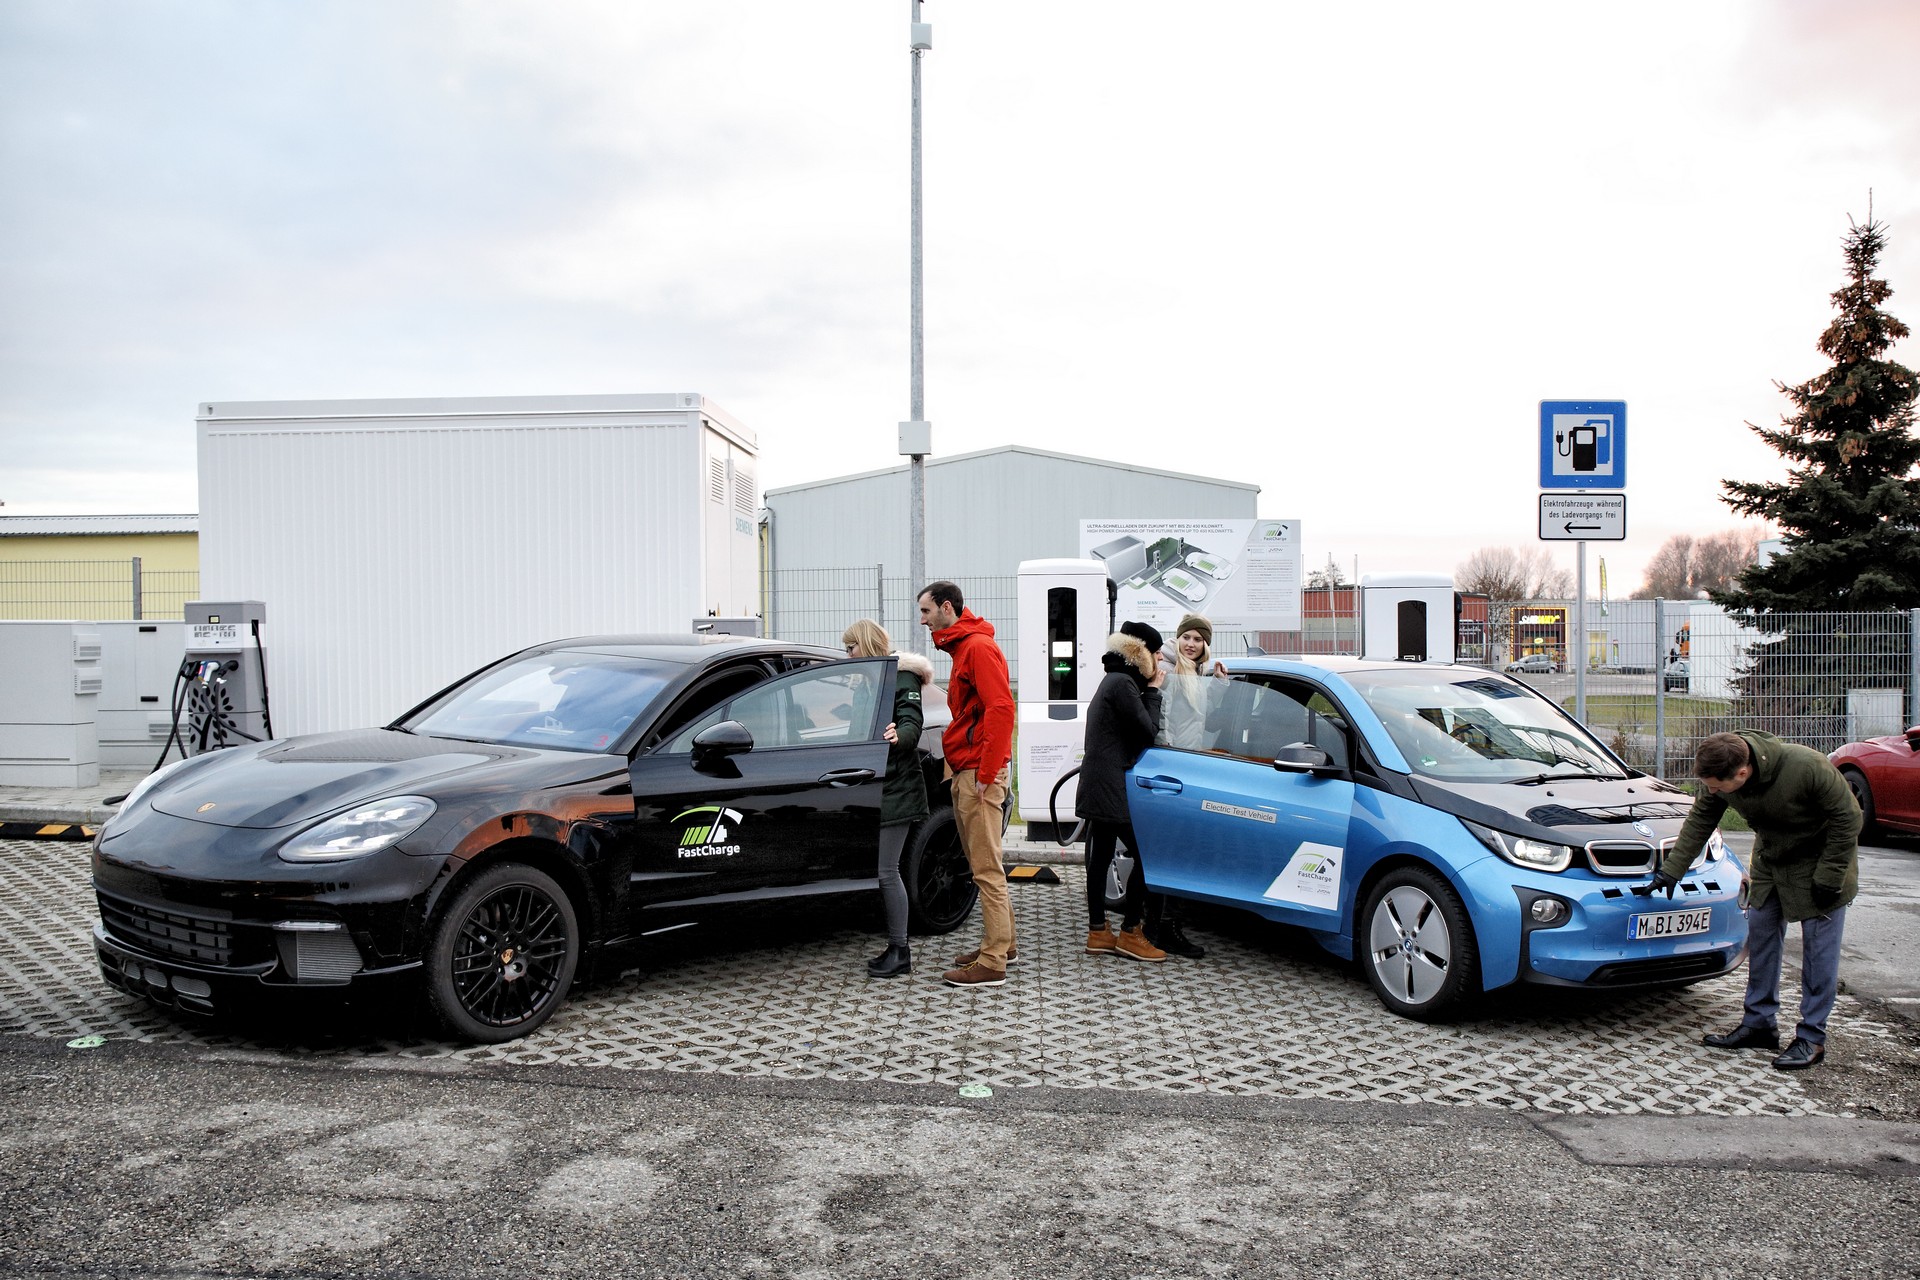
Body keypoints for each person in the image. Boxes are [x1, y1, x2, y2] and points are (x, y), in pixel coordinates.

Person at [1643, 730, 1861, 1071]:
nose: (1711, 791)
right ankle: (1759, 1024)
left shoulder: (1806, 766)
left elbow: (1849, 817)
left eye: (1716, 785)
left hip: (1820, 865)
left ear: (1742, 774)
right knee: (1760, 939)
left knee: (1818, 955)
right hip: (1772, 863)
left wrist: (1830, 876)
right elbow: (1701, 819)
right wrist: (1672, 870)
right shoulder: (1722, 772)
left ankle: (1811, 1037)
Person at [918, 581, 1018, 988]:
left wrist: (986, 772)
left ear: (946, 607)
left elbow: (1001, 707)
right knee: (986, 863)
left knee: (984, 867)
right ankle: (1003, 944)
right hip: (972, 768)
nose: (922, 620)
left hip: (979, 773)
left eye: (926, 612)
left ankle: (993, 962)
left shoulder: (975, 648)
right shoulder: (964, 646)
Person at [842, 618, 933, 979]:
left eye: (851, 647)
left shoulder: (901, 677)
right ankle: (895, 947)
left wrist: (901, 736)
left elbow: (911, 721)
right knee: (880, 870)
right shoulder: (868, 681)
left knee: (886, 871)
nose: (847, 654)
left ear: (865, 644)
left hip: (897, 788)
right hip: (875, 786)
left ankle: (900, 950)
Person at [1077, 621, 1168, 962]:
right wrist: (1155, 691)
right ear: (1142, 653)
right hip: (1111, 786)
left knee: (1100, 857)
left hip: (1100, 782)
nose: (1160, 659)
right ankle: (1131, 932)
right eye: (1157, 652)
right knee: (1149, 855)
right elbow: (1147, 731)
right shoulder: (1124, 685)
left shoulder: (1114, 679)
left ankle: (1098, 931)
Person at [1144, 611, 1229, 959]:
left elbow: (1207, 717)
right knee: (1174, 849)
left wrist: (1220, 686)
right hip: (1172, 768)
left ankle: (1160, 925)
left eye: (1199, 639)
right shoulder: (1166, 668)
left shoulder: (1198, 672)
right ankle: (1165, 928)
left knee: (1178, 848)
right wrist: (1167, 756)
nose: (1192, 644)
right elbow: (1162, 716)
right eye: (1187, 638)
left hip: (1191, 764)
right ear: (1177, 638)